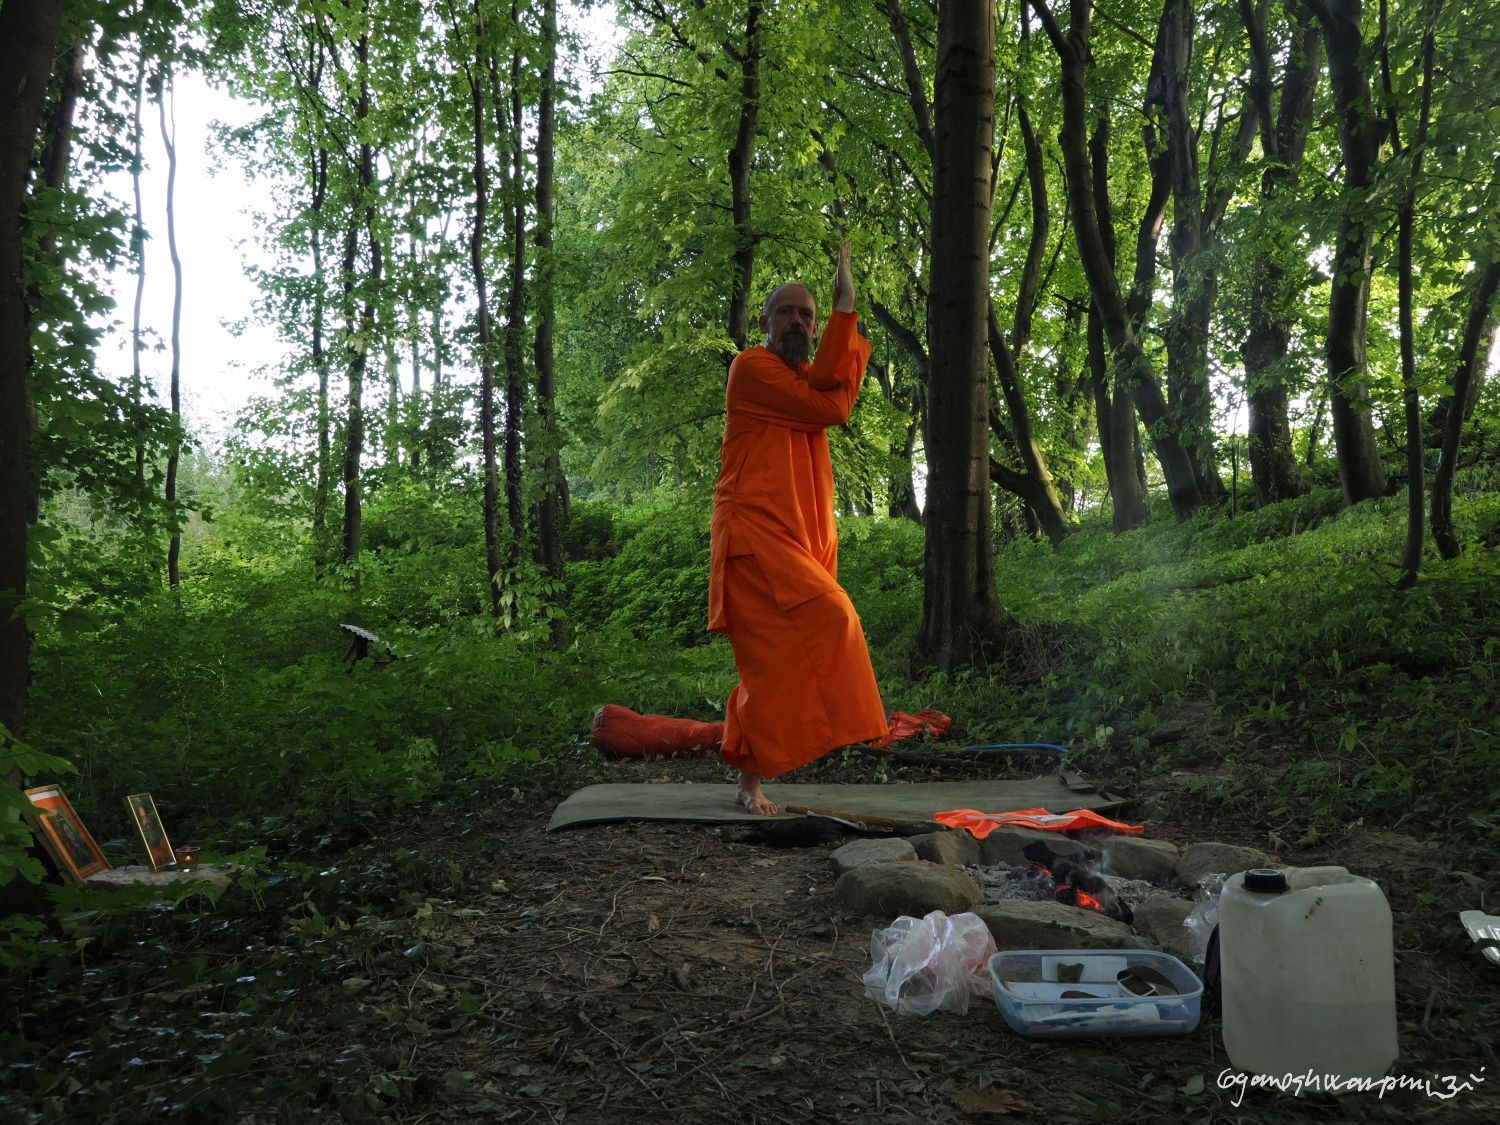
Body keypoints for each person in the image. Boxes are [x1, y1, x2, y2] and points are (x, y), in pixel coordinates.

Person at [708, 242, 888, 815]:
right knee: (832, 619)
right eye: (785, 312)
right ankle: (757, 778)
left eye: (807, 315)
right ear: (763, 323)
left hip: (793, 541)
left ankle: (749, 781)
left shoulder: (808, 377)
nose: (796, 322)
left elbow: (831, 386)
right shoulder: (752, 368)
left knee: (775, 665)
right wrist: (846, 314)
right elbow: (833, 407)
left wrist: (844, 309)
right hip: (753, 536)